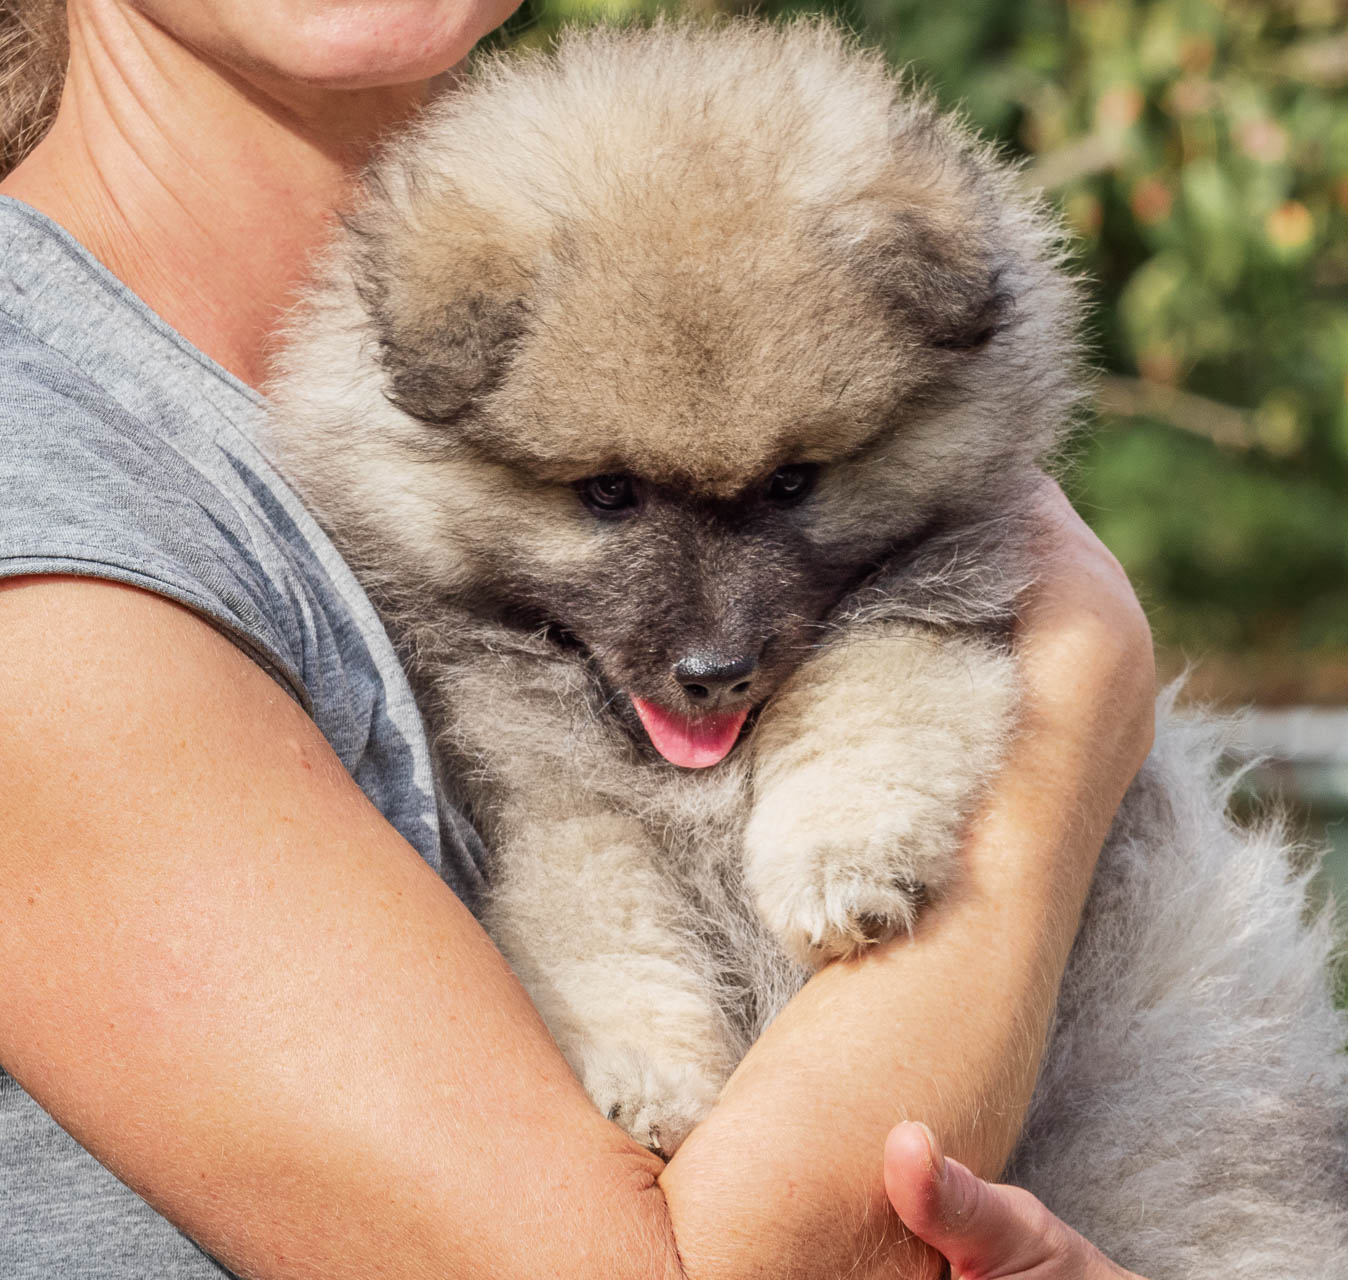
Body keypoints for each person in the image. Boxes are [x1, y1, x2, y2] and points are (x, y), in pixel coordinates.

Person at [0, 2, 1158, 1277]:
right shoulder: (43, 478)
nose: (716, 635)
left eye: (784, 487)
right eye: (607, 496)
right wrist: (1071, 715)